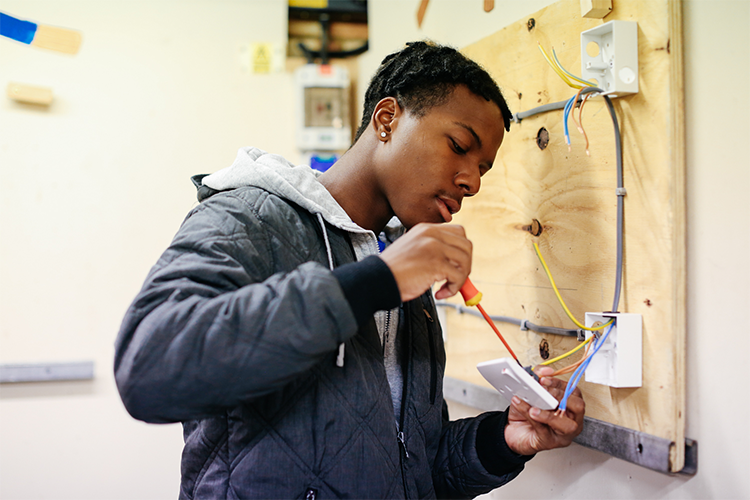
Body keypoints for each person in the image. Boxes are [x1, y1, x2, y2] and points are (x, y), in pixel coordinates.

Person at [114, 41, 584, 499]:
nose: (473, 181)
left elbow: (411, 470)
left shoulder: (403, 266)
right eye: (459, 145)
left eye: (483, 167)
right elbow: (148, 371)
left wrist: (504, 440)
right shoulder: (248, 217)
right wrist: (378, 280)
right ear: (387, 119)